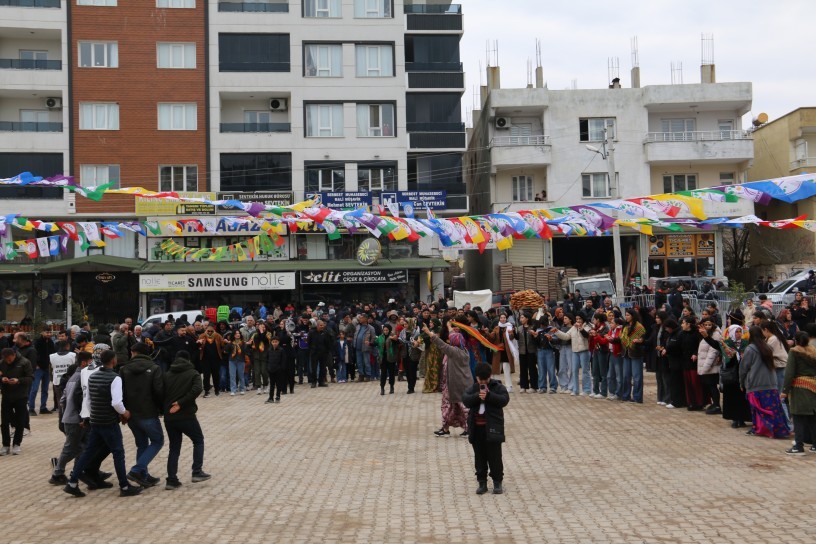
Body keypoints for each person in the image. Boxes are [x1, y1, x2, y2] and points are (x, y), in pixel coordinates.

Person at [63, 350, 143, 497]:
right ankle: (124, 486)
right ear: (113, 360)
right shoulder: (115, 378)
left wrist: (88, 417)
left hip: (95, 420)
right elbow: (117, 402)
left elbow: (88, 400)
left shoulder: (92, 376)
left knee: (88, 452)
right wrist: (125, 413)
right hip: (109, 422)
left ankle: (72, 482)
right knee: (118, 453)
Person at [162, 350, 210, 490]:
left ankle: (171, 480)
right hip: (186, 415)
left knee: (174, 447)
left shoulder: (166, 374)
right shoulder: (193, 373)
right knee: (198, 440)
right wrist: (181, 403)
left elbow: (159, 392)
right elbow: (197, 389)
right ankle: (197, 471)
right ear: (188, 360)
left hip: (169, 417)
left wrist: (165, 408)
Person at [119, 343, 164, 488]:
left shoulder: (124, 369)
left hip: (131, 414)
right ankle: (137, 470)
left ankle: (143, 475)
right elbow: (158, 391)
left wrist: (124, 412)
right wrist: (161, 408)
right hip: (148, 412)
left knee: (142, 444)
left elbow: (120, 392)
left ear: (133, 352)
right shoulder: (155, 368)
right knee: (157, 441)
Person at [462, 362, 510, 495]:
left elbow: (504, 399)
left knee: (495, 457)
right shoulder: (473, 388)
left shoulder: (497, 387)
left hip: (493, 428)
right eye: (480, 380)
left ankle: (497, 482)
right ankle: (482, 482)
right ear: (476, 378)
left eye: (485, 380)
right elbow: (465, 399)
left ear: (490, 376)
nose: (483, 382)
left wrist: (489, 396)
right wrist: (478, 396)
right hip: (477, 429)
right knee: (480, 457)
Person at [49, 351, 93, 485]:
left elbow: (63, 399)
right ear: (84, 362)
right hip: (76, 420)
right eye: (90, 362)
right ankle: (58, 473)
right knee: (72, 448)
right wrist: (81, 416)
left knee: (83, 447)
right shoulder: (81, 377)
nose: (92, 365)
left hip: (70, 417)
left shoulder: (73, 376)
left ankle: (77, 471)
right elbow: (77, 397)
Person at [740, 326, 789, 439]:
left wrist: (741, 382)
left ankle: (758, 428)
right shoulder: (767, 347)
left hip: (756, 383)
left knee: (757, 409)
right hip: (771, 383)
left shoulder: (750, 349)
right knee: (773, 407)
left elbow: (744, 368)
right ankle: (778, 430)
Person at [426, 322, 471, 437]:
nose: (449, 340)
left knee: (460, 407)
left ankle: (468, 429)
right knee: (452, 407)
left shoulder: (454, 352)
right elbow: (453, 336)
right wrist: (449, 326)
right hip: (459, 384)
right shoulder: (463, 349)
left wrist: (428, 332)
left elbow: (441, 344)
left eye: (451, 339)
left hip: (456, 385)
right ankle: (446, 429)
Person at [782, 332, 816, 455]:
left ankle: (799, 446)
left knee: (798, 416)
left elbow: (789, 372)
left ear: (796, 341)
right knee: (812, 416)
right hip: (813, 386)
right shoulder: (813, 351)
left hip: (799, 388)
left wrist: (785, 390)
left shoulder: (794, 352)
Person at [0, 347, 33, 456]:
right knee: (4, 422)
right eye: (6, 359)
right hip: (6, 396)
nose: (7, 361)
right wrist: (2, 379)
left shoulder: (25, 362)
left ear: (14, 355)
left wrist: (18, 380)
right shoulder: (2, 363)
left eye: (9, 359)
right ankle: (5, 445)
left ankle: (16, 444)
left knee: (20, 421)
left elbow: (30, 378)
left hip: (21, 396)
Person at [554, 314, 591, 397]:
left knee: (585, 371)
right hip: (574, 351)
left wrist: (580, 328)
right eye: (577, 319)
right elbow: (566, 336)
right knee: (574, 370)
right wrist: (557, 332)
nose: (578, 320)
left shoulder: (587, 326)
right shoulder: (573, 327)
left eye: (579, 319)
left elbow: (586, 335)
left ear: (583, 319)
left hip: (584, 350)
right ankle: (575, 390)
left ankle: (587, 389)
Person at [619, 309, 646, 403]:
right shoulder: (625, 326)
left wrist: (639, 341)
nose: (626, 317)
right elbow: (621, 338)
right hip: (626, 353)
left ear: (633, 316)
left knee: (637, 377)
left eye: (628, 315)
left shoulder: (639, 327)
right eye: (625, 315)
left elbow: (643, 338)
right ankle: (626, 395)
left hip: (636, 353)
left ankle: (637, 397)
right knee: (626, 376)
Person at [697, 318, 723, 415]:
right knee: (708, 385)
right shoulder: (702, 334)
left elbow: (713, 351)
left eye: (709, 324)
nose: (707, 326)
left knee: (712, 385)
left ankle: (717, 405)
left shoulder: (715, 334)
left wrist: (706, 367)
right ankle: (713, 403)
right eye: (705, 324)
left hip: (711, 365)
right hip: (704, 364)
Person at [30, 330, 53, 415]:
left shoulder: (50, 342)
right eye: (47, 332)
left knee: (45, 389)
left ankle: (43, 407)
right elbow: (33, 354)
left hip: (47, 368)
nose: (49, 334)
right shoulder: (37, 342)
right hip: (38, 369)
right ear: (42, 332)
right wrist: (35, 364)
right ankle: (31, 408)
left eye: (50, 332)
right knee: (34, 389)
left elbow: (52, 354)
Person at [515, 313, 538, 393]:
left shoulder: (533, 327)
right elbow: (516, 338)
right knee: (523, 369)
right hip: (522, 351)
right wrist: (512, 333)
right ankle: (523, 386)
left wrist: (534, 335)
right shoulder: (519, 328)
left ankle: (534, 386)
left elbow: (535, 340)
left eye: (522, 317)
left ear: (527, 318)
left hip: (531, 351)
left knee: (532, 369)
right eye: (520, 318)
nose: (521, 319)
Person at [198, 326, 224, 398]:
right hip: (205, 359)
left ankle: (217, 390)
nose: (209, 333)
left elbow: (222, 345)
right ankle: (206, 391)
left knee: (216, 375)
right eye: (208, 331)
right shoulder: (202, 336)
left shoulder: (218, 336)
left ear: (213, 331)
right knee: (206, 376)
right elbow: (198, 345)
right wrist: (199, 343)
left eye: (211, 331)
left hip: (216, 359)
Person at [307, 320, 334, 388]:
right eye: (320, 325)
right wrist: (312, 350)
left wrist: (327, 351)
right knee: (314, 368)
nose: (322, 326)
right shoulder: (312, 332)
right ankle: (313, 382)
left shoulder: (325, 333)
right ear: (317, 325)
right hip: (314, 353)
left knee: (323, 368)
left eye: (323, 325)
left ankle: (321, 382)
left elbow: (328, 343)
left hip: (323, 353)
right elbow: (309, 342)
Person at [249, 323, 272, 395]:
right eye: (260, 327)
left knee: (264, 371)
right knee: (257, 372)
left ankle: (266, 384)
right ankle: (258, 387)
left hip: (265, 355)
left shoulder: (268, 334)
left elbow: (264, 339)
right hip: (256, 355)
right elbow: (253, 342)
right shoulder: (255, 334)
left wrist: (262, 332)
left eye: (263, 327)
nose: (262, 328)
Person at [377, 324, 399, 395]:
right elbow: (376, 343)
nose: (385, 331)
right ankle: (382, 388)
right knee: (383, 373)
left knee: (391, 373)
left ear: (389, 330)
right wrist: (370, 343)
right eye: (384, 330)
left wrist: (394, 339)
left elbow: (397, 343)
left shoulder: (393, 336)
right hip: (383, 358)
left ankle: (391, 387)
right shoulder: (380, 337)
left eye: (387, 330)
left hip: (391, 357)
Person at [265, 337, 288, 404]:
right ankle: (271, 397)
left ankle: (278, 397)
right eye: (273, 342)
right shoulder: (269, 350)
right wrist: (268, 368)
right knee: (272, 384)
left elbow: (284, 361)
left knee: (278, 384)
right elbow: (267, 359)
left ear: (278, 342)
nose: (275, 343)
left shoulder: (281, 350)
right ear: (271, 342)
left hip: (278, 370)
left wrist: (281, 369)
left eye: (276, 342)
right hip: (271, 370)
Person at [225, 331, 247, 396]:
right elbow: (226, 351)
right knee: (232, 376)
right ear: (233, 335)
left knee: (241, 375)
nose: (238, 335)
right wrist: (227, 344)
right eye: (236, 333)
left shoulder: (243, 343)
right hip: (232, 361)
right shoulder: (230, 343)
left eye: (239, 333)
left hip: (241, 360)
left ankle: (242, 389)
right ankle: (233, 390)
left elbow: (246, 351)